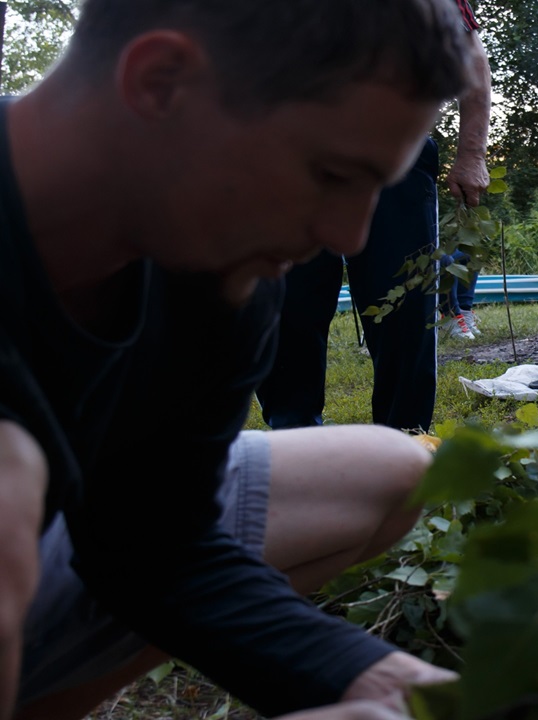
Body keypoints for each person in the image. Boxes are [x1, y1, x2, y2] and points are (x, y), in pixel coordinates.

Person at [1, 1, 477, 719]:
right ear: (161, 83)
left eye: (375, 187)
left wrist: (381, 683)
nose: (348, 237)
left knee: (390, 470)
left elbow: (158, 545)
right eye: (330, 172)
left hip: (39, 541)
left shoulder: (215, 270)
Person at [256, 0, 492, 430]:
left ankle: (406, 436)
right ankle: (293, 435)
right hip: (285, 153)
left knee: (404, 302)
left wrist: (472, 153)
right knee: (288, 303)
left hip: (393, 151)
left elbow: (469, 54)